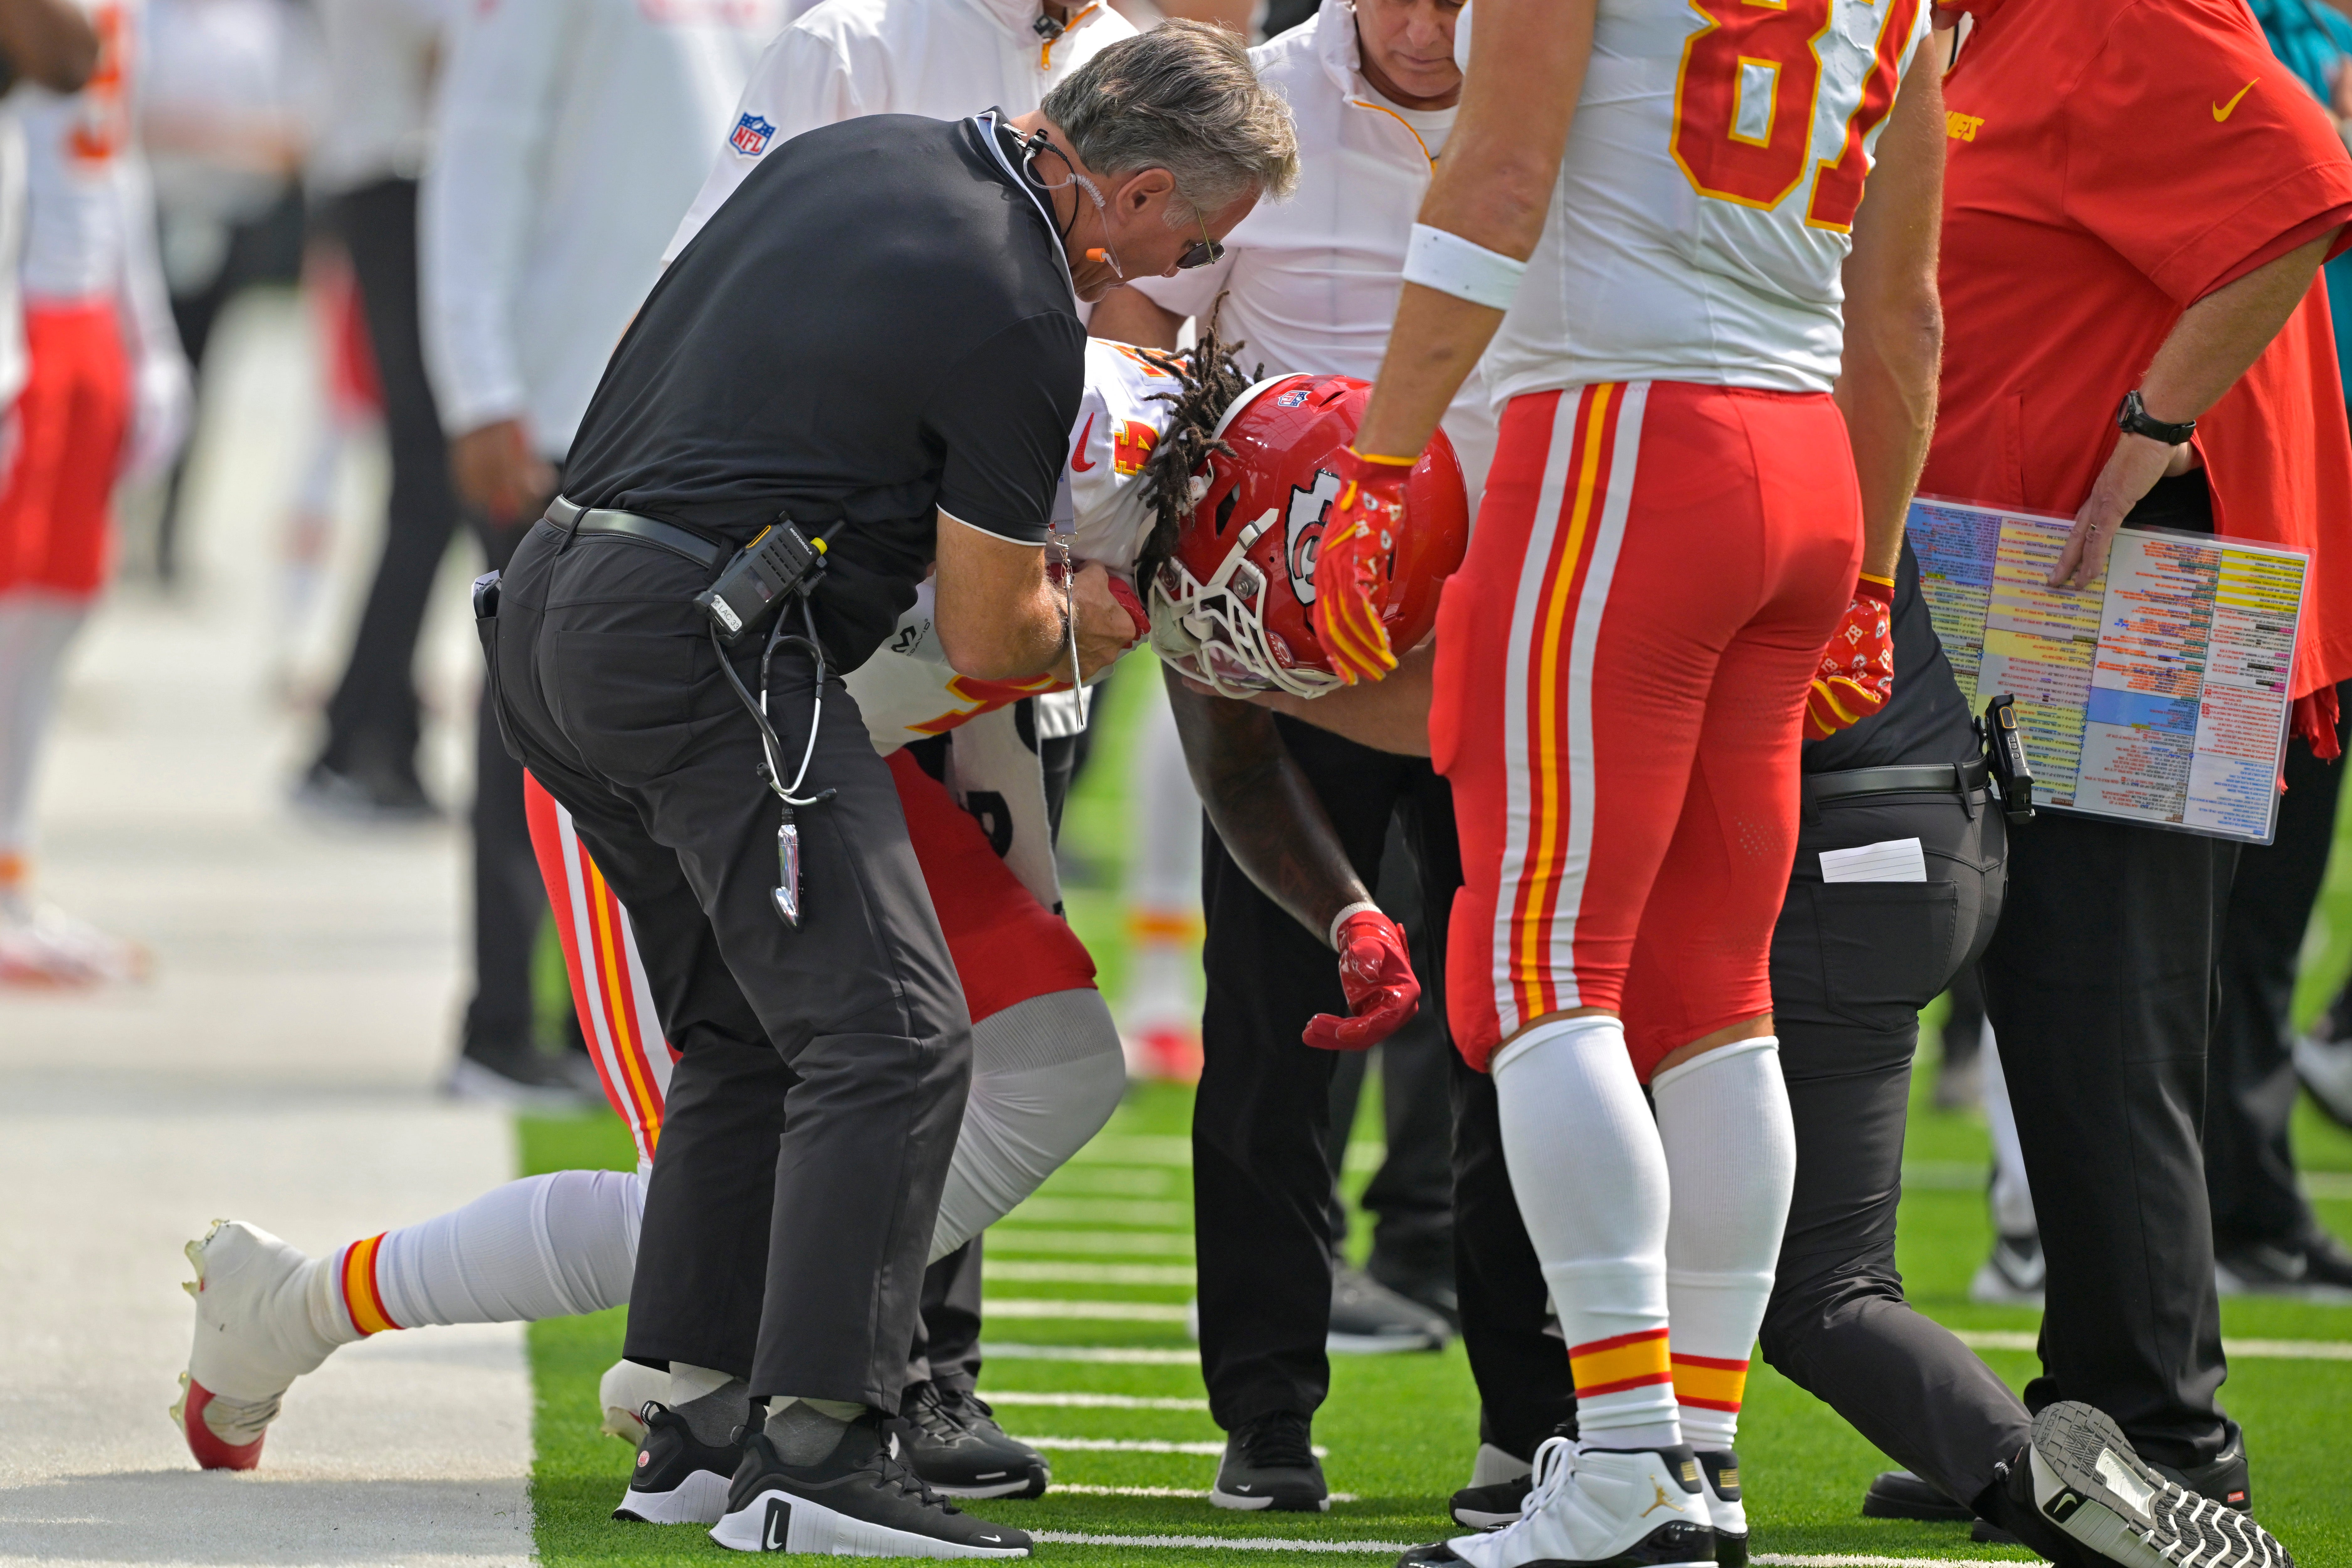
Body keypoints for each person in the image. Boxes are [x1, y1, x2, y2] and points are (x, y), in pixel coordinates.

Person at [481, 28, 1294, 1555]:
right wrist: (1107, 615)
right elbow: (993, 633)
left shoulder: (857, 151)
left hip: (550, 611)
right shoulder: (1017, 302)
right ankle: (820, 1447)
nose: (1184, 277)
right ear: (1129, 194)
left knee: (747, 1032)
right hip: (703, 648)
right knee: (899, 1037)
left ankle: (698, 1422)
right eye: (1196, 243)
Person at [171, 334, 1220, 1493]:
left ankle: (751, 1340)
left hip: (826, 777)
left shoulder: (1073, 508)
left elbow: (996, 774)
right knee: (691, 1197)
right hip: (655, 753)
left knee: (1056, 1052)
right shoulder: (958, 475)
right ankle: (299, 1305)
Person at [1267, 0, 1958, 1557]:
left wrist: (1382, 462)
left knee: (1534, 970)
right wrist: (1870, 568)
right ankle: (1693, 1455)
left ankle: (1631, 1459)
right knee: (1714, 993)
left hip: (1618, 441)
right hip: (1803, 466)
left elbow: (1501, 178)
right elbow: (1903, 312)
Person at [658, 0, 1139, 1455]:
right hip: (821, 609)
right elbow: (711, 283)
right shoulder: (851, 42)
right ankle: (732, 1368)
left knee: (977, 1010)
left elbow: (1147, 343)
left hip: (1007, 612)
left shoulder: (1125, 58)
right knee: (806, 1032)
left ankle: (920, 1368)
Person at [1924, 0, 2352, 1547]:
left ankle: (2165, 1446)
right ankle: (2089, 1424)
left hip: (2122, 587)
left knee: (2107, 1022)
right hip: (2022, 583)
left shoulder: (2109, 7)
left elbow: (2304, 180)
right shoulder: (1987, 29)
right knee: (2062, 1021)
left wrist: (2148, 427)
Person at [1089, 0, 1490, 1504]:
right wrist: (1153, 526)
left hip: (1500, 623)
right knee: (1273, 1029)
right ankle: (1264, 1411)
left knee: (1519, 1029)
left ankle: (1534, 1420)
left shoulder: (1567, 93)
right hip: (1275, 631)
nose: (1425, 23)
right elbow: (1135, 330)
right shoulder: (1257, 104)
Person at [416, 0, 782, 1106]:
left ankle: (612, 1025)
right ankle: (499, 1024)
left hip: (698, 408)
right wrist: (479, 385)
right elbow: (478, 151)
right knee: (535, 730)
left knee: (660, 731)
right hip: (561, 404)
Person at [0, 0, 192, 985]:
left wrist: (148, 336)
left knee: (57, 606)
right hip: (23, 303)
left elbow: (117, 154)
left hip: (83, 308)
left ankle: (12, 876)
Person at [292, 0, 454, 822]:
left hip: (403, 178)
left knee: (428, 486)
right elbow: (453, 46)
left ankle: (372, 729)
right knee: (430, 480)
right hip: (402, 179)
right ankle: (358, 738)